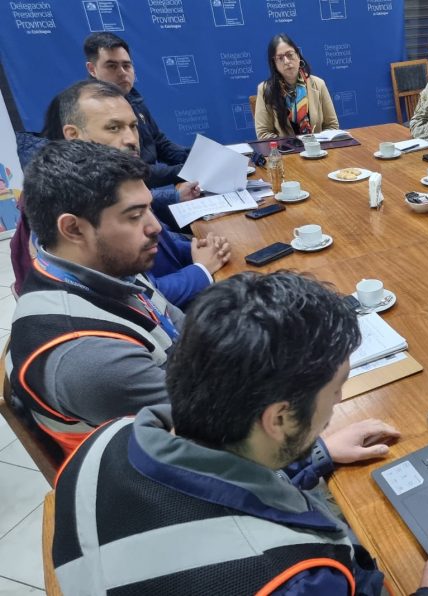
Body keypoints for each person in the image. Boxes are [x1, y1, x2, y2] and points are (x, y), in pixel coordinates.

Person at [52, 271, 428, 595]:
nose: (333, 410)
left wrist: (313, 454)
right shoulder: (298, 579)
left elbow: (207, 488)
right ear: (277, 420)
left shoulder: (106, 439)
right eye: (334, 394)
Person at [7, 140, 183, 459]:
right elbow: (217, 427)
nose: (155, 226)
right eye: (134, 215)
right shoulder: (90, 358)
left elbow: (187, 330)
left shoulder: (105, 267)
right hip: (158, 475)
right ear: (73, 229)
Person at [10, 80, 230, 308]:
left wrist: (204, 249)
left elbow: (164, 244)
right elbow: (137, 299)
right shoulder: (62, 199)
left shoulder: (113, 181)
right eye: (113, 128)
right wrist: (200, 270)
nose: (131, 139)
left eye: (133, 126)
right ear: (73, 135)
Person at [84, 32, 190, 189]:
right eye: (112, 66)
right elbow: (130, 172)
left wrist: (196, 158)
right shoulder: (91, 111)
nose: (122, 72)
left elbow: (160, 143)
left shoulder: (132, 97)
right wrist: (188, 170)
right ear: (92, 69)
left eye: (126, 65)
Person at [255, 33, 339, 139]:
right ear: (274, 64)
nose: (286, 61)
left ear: (298, 56)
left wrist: (316, 145)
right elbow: (263, 134)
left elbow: (332, 126)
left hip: (318, 150)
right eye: (280, 58)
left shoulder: (318, 84)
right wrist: (291, 147)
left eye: (290, 55)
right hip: (286, 153)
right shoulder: (265, 89)